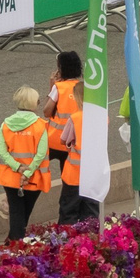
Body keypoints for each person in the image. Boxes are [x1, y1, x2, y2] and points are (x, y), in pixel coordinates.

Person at [0, 84, 53, 236]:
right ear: (34, 103)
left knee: (16, 213)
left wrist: (17, 167)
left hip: (11, 178)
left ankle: (13, 244)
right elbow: (40, 154)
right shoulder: (40, 125)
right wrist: (27, 172)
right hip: (33, 178)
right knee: (24, 215)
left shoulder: (6, 124)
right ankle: (17, 246)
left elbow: (1, 152)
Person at [47, 49, 92, 222]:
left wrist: (51, 86)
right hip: (73, 146)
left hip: (55, 141)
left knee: (33, 167)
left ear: (61, 69)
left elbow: (47, 111)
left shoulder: (59, 87)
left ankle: (9, 201)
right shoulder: (83, 88)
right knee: (71, 184)